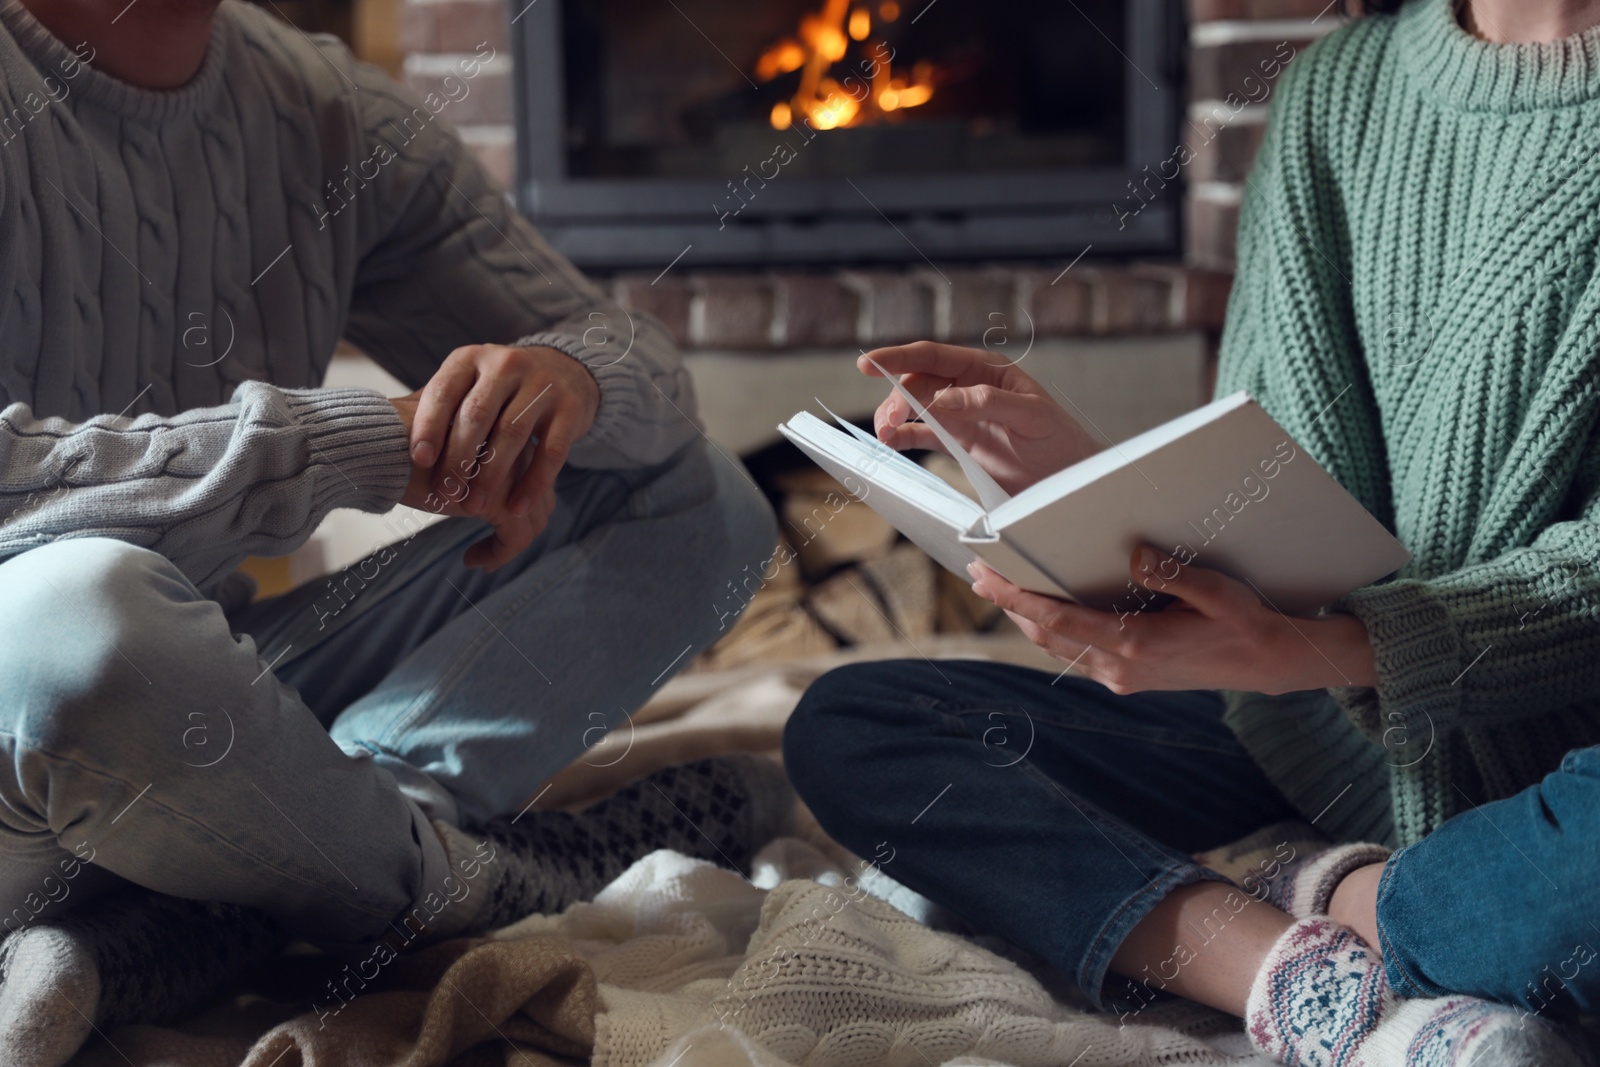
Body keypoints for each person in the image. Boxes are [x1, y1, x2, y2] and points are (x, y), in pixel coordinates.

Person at [784, 0, 1600, 1063]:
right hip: (1304, 727)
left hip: (1560, 745)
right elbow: (1289, 481)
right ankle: (1286, 969)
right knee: (856, 722)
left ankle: (1334, 889)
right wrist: (1091, 488)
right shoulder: (1336, 91)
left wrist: (1348, 644)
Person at [0, 0, 786, 1060]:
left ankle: (312, 874)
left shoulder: (325, 111)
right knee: (85, 617)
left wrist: (568, 381)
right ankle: (459, 879)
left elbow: (634, 364)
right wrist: (344, 446)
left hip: (200, 703)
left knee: (698, 498)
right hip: (50, 699)